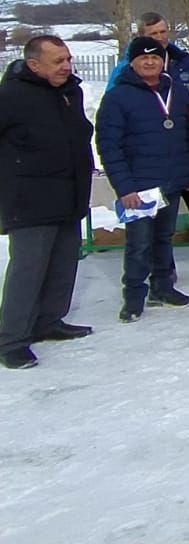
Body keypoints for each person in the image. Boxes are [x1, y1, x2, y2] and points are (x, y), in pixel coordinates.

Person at [0, 37, 94, 370]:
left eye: (67, 59)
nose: (66, 66)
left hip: (68, 195)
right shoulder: (11, 95)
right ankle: (11, 340)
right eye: (58, 61)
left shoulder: (71, 92)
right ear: (34, 64)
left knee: (63, 263)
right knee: (28, 271)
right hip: (28, 201)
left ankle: (49, 321)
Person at [96, 36, 189, 322]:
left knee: (163, 238)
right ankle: (133, 296)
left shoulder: (178, 92)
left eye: (155, 57)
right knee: (139, 243)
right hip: (140, 186)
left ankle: (163, 287)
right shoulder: (118, 96)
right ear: (132, 62)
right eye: (143, 58)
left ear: (164, 61)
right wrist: (124, 187)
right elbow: (109, 145)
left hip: (171, 180)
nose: (150, 62)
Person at [107, 12, 189, 277]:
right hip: (150, 157)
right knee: (157, 224)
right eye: (153, 34)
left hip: (186, 145)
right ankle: (158, 274)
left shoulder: (183, 61)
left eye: (163, 32)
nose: (160, 38)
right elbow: (115, 111)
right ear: (141, 37)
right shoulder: (127, 67)